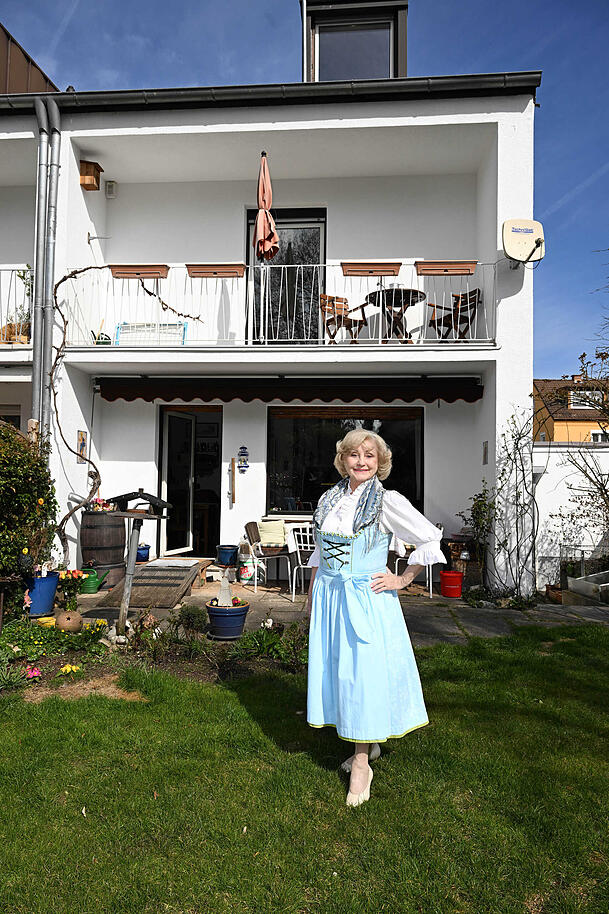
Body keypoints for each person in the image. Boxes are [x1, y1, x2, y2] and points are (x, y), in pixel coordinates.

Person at [305, 429, 446, 807]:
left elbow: (429, 538)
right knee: (340, 672)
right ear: (343, 460)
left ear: (380, 462)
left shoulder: (387, 501)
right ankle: (362, 742)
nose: (362, 461)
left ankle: (363, 763)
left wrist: (401, 579)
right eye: (354, 455)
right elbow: (319, 553)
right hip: (331, 597)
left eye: (370, 455)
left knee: (361, 676)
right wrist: (311, 598)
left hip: (365, 598)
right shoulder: (329, 499)